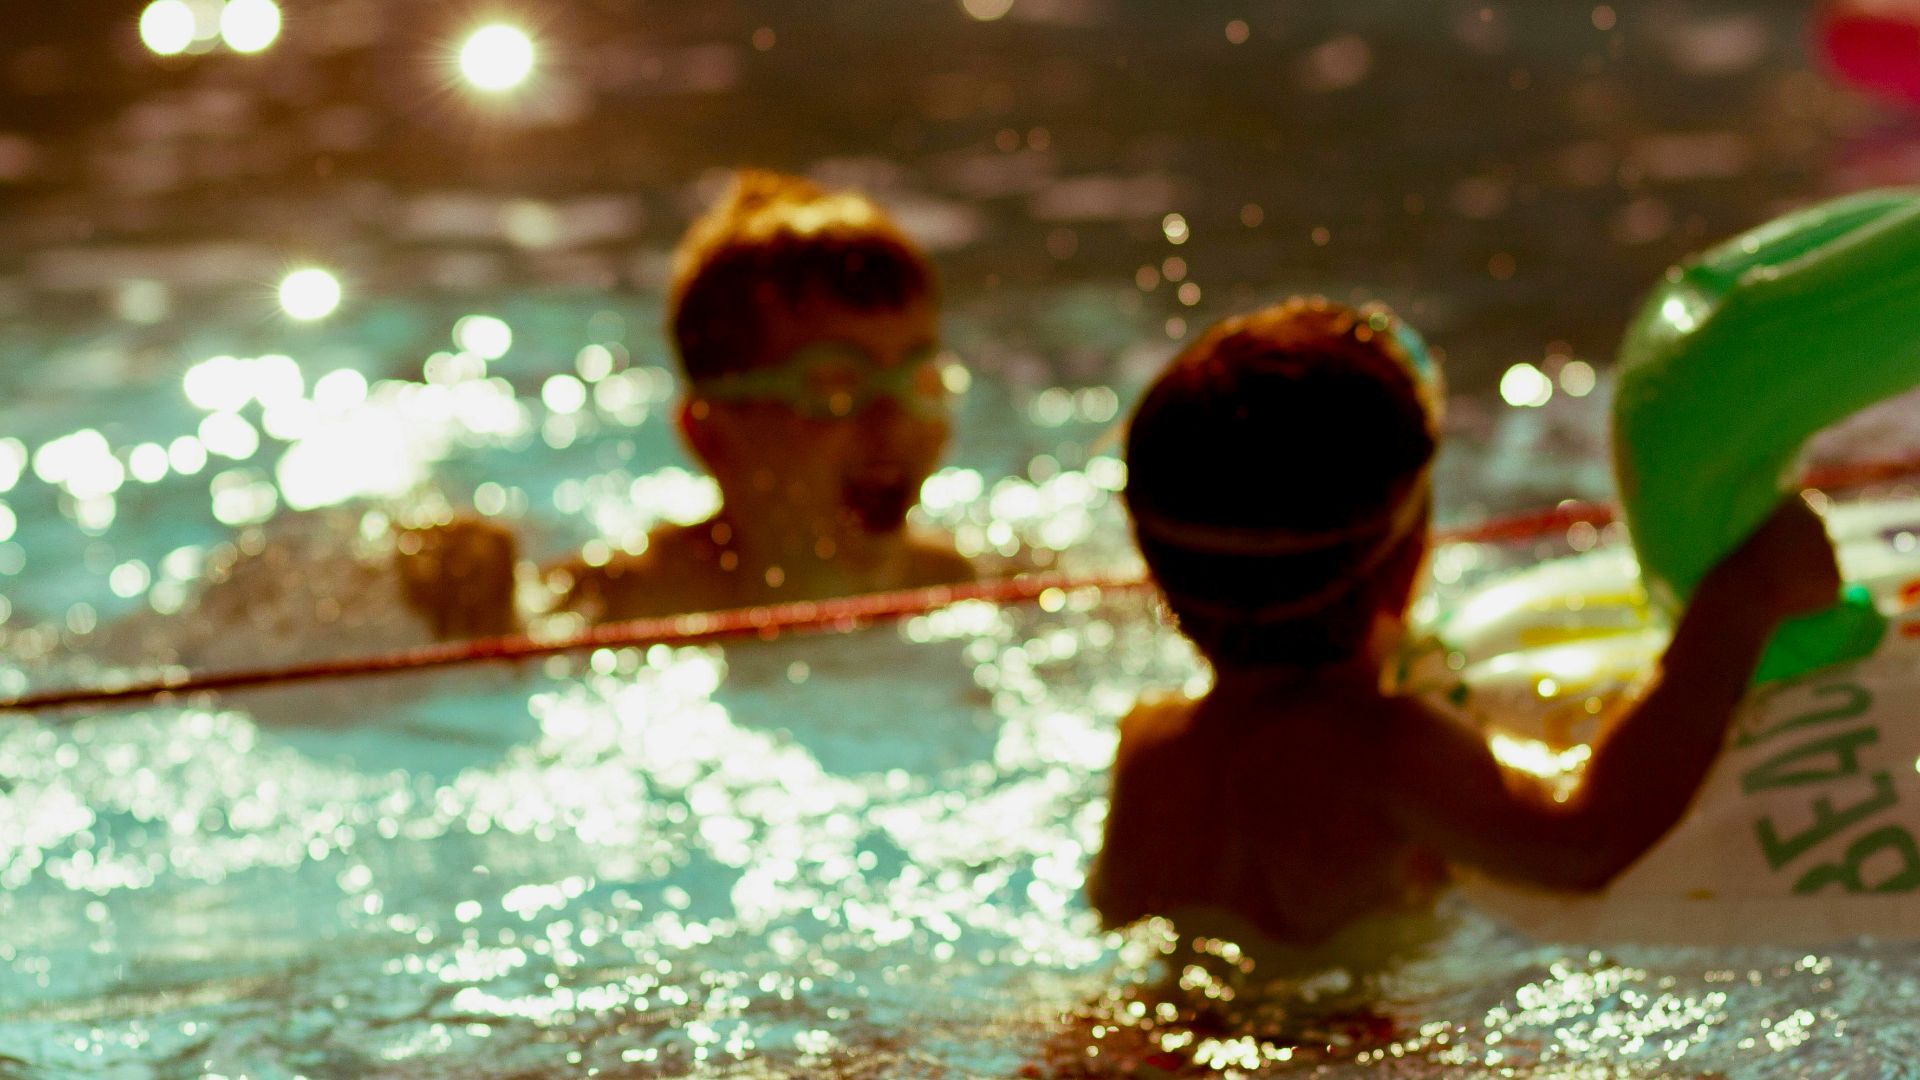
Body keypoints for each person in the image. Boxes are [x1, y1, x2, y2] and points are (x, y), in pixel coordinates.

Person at [1087, 297, 1843, 949]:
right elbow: (1587, 845)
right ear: (1406, 561)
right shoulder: (1390, 749)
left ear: (1163, 578)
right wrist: (1737, 605)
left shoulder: (1149, 748)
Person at [399, 170, 973, 636]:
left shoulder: (969, 587)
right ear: (710, 435)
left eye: (917, 378)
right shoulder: (621, 607)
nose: (891, 417)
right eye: (836, 386)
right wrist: (456, 578)